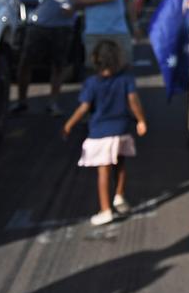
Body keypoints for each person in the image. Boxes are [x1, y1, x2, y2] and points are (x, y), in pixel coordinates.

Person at [62, 39, 148, 226]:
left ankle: (105, 209)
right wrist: (141, 120)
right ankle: (118, 195)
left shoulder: (92, 83)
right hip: (122, 129)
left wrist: (69, 124)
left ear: (95, 60)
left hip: (100, 133)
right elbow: (133, 101)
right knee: (120, 164)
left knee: (103, 171)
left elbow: (84, 108)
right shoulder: (126, 79)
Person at [10, 0, 78, 116]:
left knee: (58, 66)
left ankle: (53, 103)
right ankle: (21, 101)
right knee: (26, 63)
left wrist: (74, 9)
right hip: (40, 25)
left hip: (63, 27)